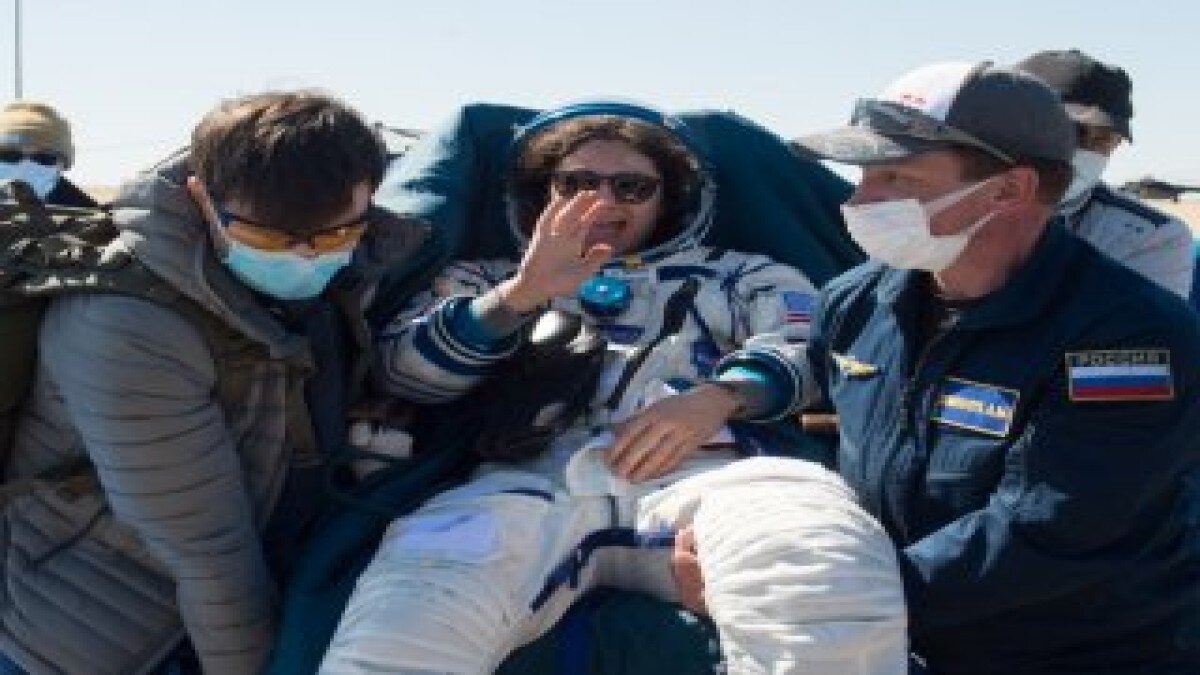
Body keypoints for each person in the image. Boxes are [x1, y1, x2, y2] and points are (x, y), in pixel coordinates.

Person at [320, 102, 908, 674]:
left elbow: (816, 348)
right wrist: (521, 295)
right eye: (576, 183)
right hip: (525, 486)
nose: (602, 201)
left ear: (668, 197)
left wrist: (720, 397)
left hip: (713, 475)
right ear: (541, 193)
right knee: (405, 619)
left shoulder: (742, 275)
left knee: (825, 578)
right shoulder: (484, 278)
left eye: (631, 187)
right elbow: (404, 372)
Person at [785, 61, 1200, 673]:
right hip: (901, 636)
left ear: (1008, 190)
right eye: (863, 175)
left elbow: (1053, 532)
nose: (859, 200)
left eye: (895, 176)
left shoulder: (1128, 336)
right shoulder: (856, 301)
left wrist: (823, 602)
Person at [0, 90, 425, 674]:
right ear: (201, 198)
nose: (305, 257)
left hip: (218, 607)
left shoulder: (338, 280)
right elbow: (206, 550)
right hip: (84, 634)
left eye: (332, 236)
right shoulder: (124, 325)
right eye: (270, 239)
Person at [1016, 49, 1195, 299]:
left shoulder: (1152, 236)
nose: (1083, 149)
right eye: (1070, 131)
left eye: (1104, 138)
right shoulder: (959, 202)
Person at [0, 100, 97, 207]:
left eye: (44, 158)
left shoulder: (92, 216)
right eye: (8, 155)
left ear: (62, 165)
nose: (25, 166)